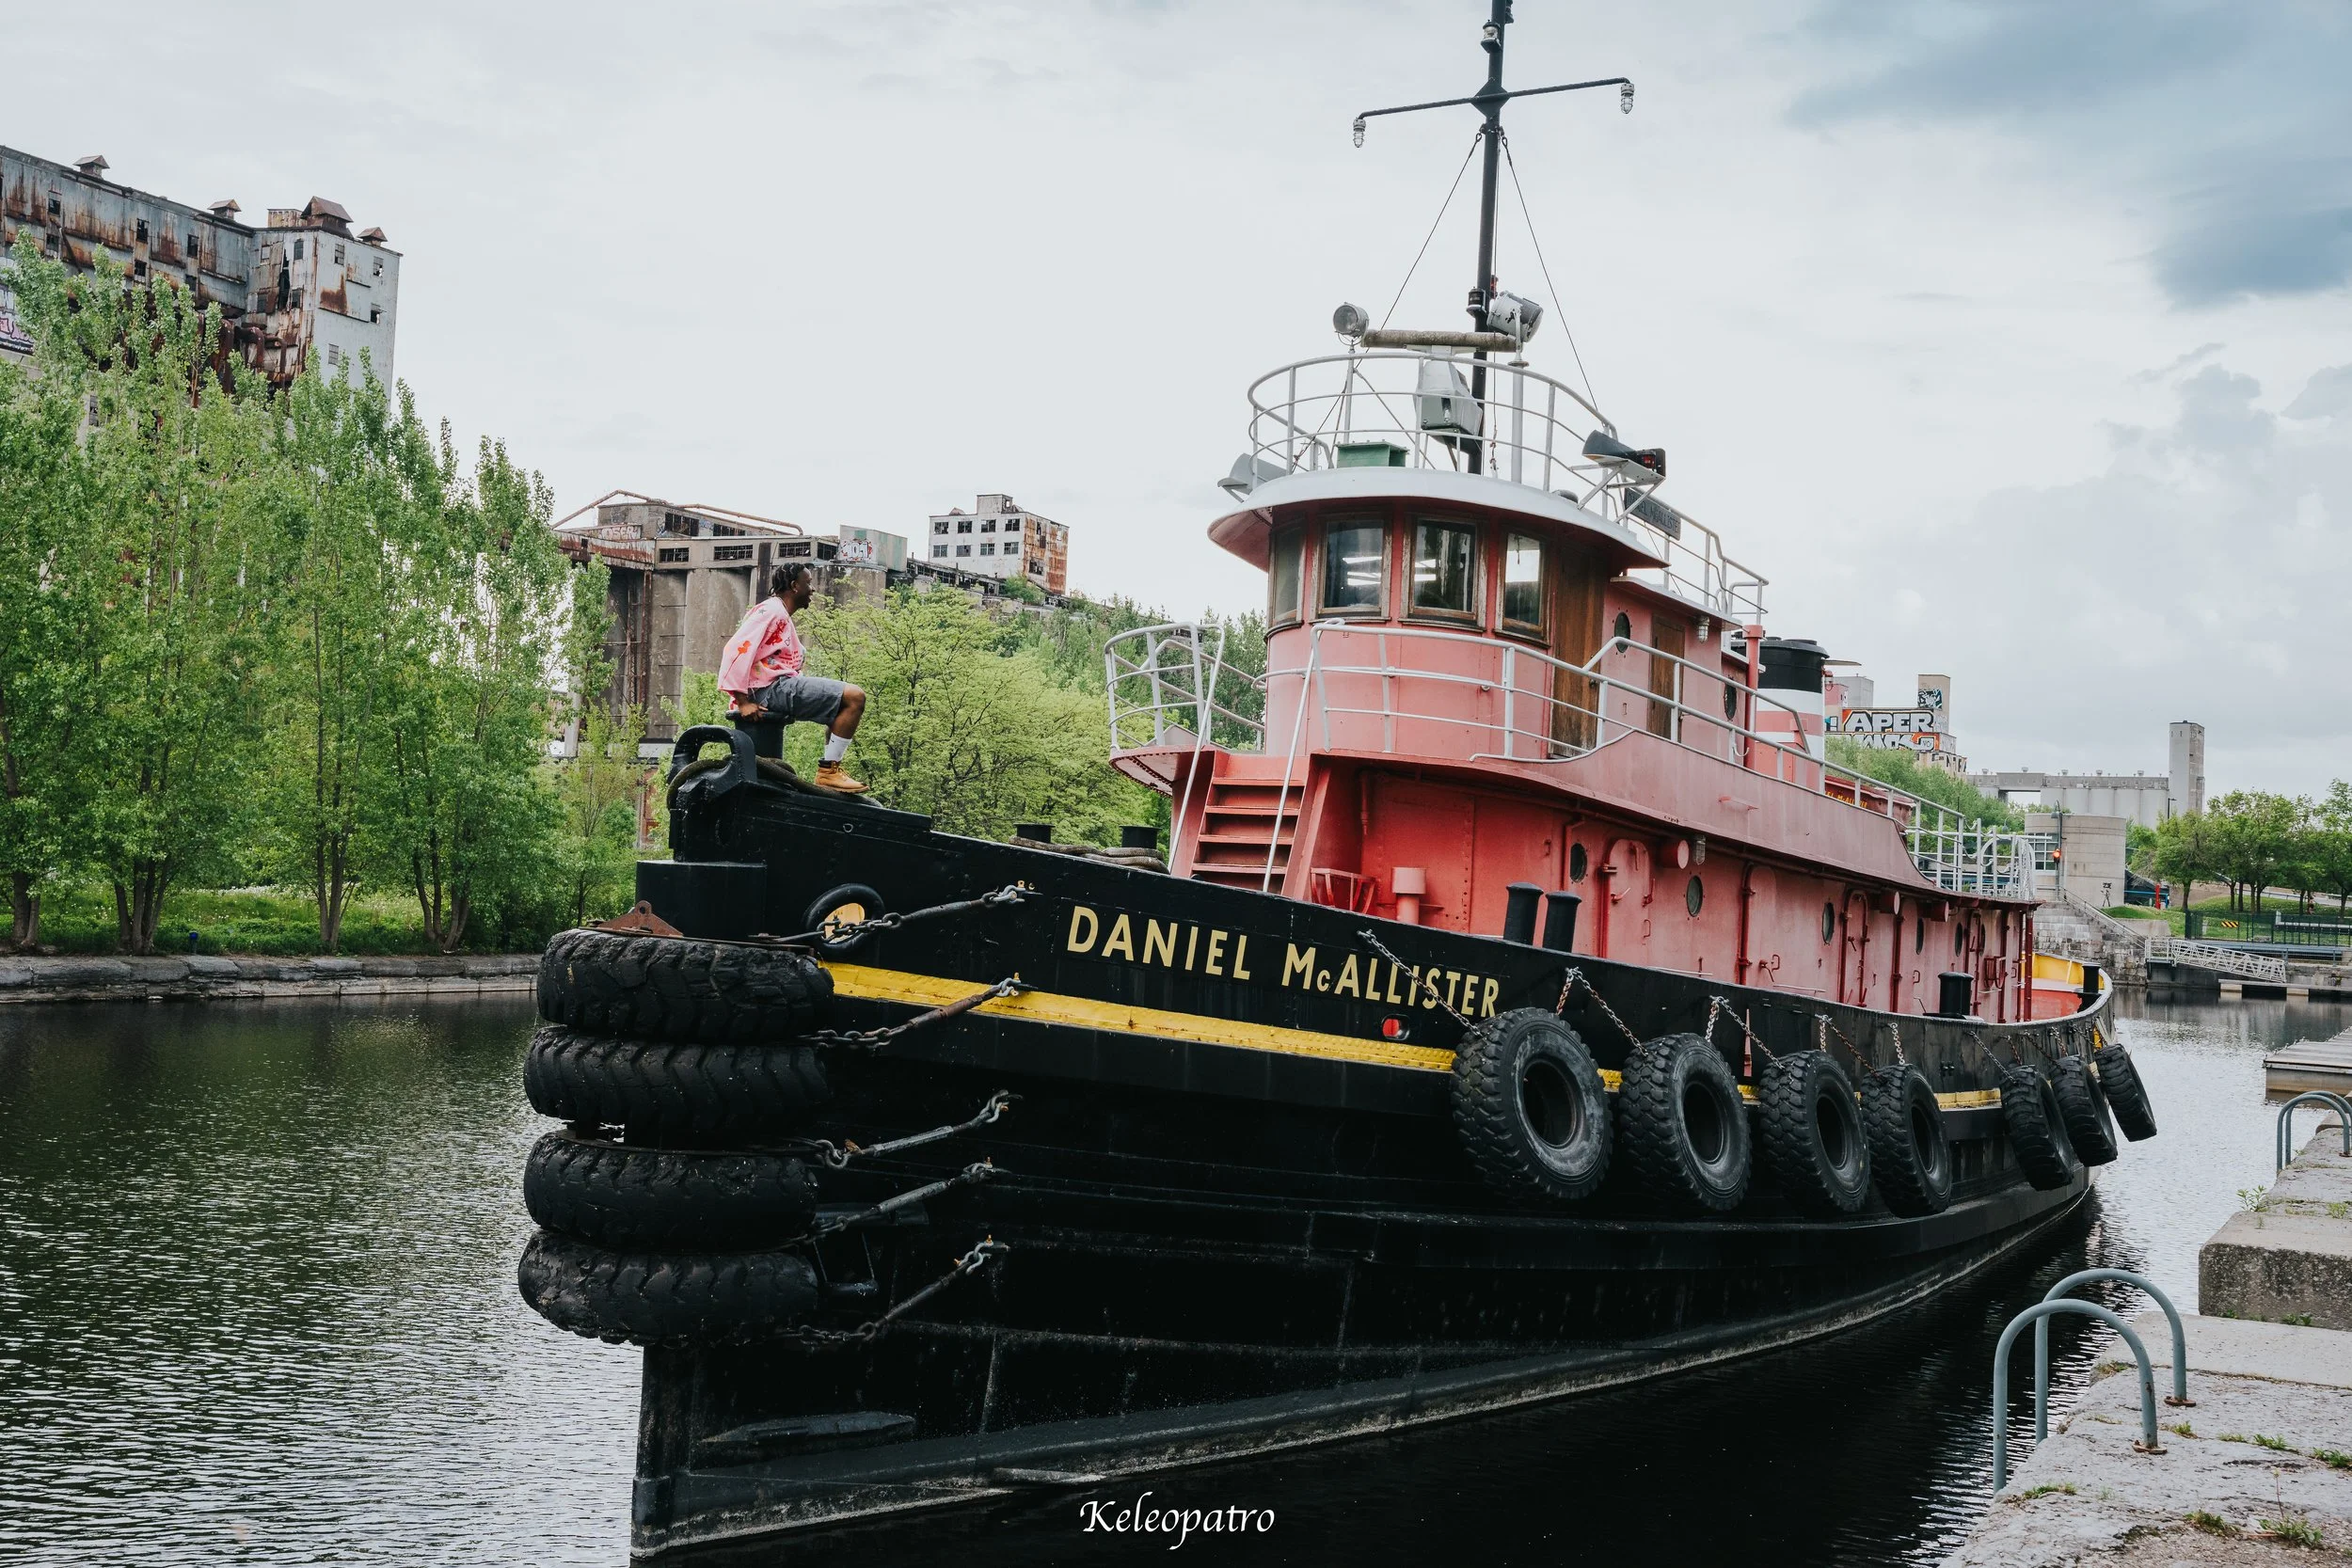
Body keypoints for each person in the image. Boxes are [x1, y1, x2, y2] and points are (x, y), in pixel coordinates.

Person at [717, 563, 868, 794]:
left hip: (774, 686)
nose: (813, 589)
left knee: (840, 707)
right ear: (794, 586)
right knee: (854, 697)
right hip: (771, 688)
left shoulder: (778, 613)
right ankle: (828, 772)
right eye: (808, 583)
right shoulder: (771, 611)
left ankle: (831, 769)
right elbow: (735, 649)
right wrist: (742, 701)